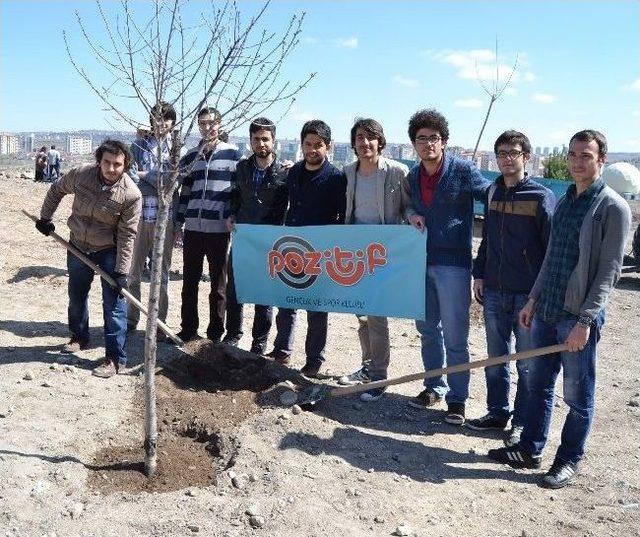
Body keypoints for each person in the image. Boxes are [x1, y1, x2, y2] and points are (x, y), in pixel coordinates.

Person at [488, 130, 631, 489]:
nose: (577, 162)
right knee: (537, 384)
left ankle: (568, 460)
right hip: (547, 310)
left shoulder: (612, 207)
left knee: (577, 394)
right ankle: (530, 449)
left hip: (576, 317)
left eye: (585, 155)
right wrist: (533, 300)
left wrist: (585, 320)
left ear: (602, 160)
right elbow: (550, 258)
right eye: (572, 155)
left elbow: (608, 272)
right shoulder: (565, 201)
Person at [467, 130, 555, 445]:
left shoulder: (541, 197)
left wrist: (538, 296)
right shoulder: (493, 193)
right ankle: (497, 413)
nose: (506, 158)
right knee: (495, 358)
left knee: (528, 364)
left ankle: (521, 422)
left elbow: (551, 252)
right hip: (494, 290)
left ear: (525, 157)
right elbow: (487, 239)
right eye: (502, 152)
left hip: (526, 296)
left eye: (513, 153)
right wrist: (479, 274)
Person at [405, 109, 490, 425]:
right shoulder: (413, 175)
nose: (428, 144)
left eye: (434, 138)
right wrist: (411, 213)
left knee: (455, 336)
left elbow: (491, 194)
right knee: (427, 330)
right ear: (414, 143)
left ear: (444, 142)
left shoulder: (463, 171)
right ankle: (434, 387)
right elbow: (409, 205)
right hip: (420, 263)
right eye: (422, 138)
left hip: (453, 264)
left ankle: (457, 400)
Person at [35, 140, 142, 378]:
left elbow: (128, 235)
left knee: (113, 306)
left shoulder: (131, 195)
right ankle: (79, 336)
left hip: (108, 251)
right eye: (107, 162)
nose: (111, 169)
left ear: (125, 165)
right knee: (77, 294)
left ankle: (115, 359)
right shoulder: (82, 174)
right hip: (78, 246)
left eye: (117, 164)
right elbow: (57, 190)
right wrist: (45, 218)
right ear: (99, 161)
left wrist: (122, 271)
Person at [337, 118, 415, 401]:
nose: (364, 142)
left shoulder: (397, 172)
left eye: (370, 137)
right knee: (362, 315)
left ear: (380, 141)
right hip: (355, 256)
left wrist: (412, 220)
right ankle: (368, 367)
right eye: (359, 137)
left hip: (383, 255)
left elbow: (408, 208)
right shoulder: (348, 172)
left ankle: (379, 377)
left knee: (377, 316)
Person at [266, 119, 346, 378]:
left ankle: (314, 359)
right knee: (286, 305)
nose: (312, 149)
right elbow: (280, 207)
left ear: (328, 147)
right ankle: (282, 350)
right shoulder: (294, 172)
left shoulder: (336, 178)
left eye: (318, 145)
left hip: (320, 255)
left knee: (316, 310)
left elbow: (341, 217)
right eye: (308, 144)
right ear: (301, 145)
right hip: (291, 250)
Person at [176, 107, 244, 342]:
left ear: (220, 124)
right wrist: (178, 222)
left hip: (218, 230)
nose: (207, 128)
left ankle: (215, 332)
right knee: (189, 282)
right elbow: (185, 191)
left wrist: (232, 214)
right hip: (193, 228)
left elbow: (238, 191)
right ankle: (188, 329)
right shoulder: (190, 157)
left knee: (218, 284)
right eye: (202, 123)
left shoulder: (234, 155)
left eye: (211, 123)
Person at [224, 118, 289, 354]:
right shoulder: (242, 168)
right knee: (235, 290)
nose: (261, 143)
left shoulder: (284, 171)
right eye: (256, 139)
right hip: (243, 238)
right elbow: (235, 196)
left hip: (270, 243)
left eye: (265, 139)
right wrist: (231, 214)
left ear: (274, 141)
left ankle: (259, 342)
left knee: (264, 294)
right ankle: (232, 335)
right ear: (250, 141)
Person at [126, 103, 180, 340]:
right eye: (157, 119)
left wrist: (146, 176)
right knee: (133, 272)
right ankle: (130, 319)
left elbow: (171, 182)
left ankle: (159, 323)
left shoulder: (177, 149)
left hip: (165, 219)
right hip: (138, 217)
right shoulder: (137, 146)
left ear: (172, 123)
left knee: (162, 274)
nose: (161, 123)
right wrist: (155, 180)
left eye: (166, 119)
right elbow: (129, 178)